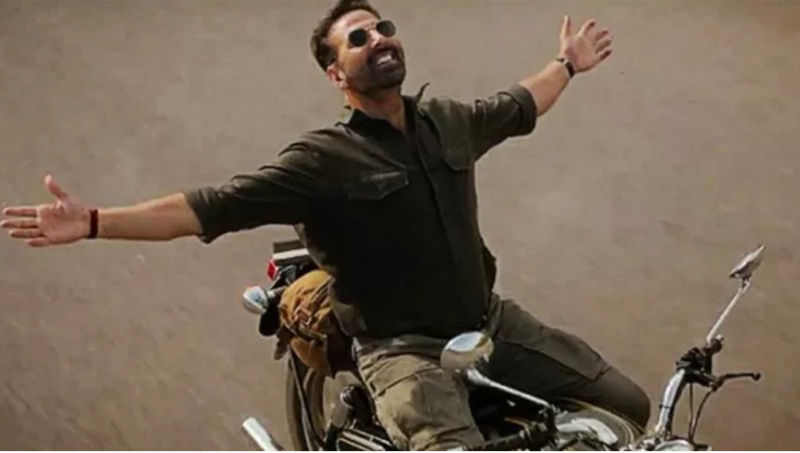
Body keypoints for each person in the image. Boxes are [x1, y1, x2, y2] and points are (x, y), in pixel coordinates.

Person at [1, 0, 650, 450]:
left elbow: (520, 103)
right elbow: (207, 206)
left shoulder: (448, 120)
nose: (379, 39)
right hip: (404, 350)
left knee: (627, 407)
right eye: (358, 39)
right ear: (337, 74)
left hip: (487, 322)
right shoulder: (321, 161)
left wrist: (567, 63)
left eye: (382, 28)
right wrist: (92, 221)